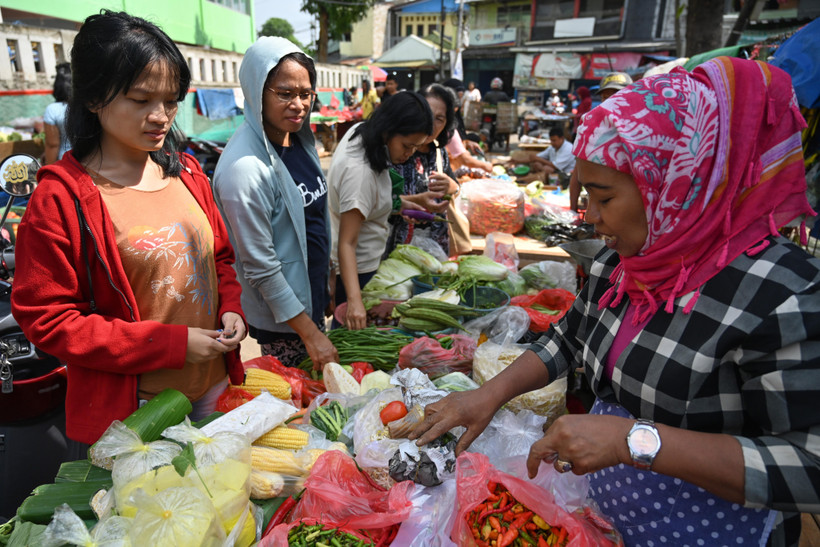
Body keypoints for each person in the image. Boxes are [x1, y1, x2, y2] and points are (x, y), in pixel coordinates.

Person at [412, 57, 820, 546]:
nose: (590, 217)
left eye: (603, 198)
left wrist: (637, 442)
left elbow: (808, 466)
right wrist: (486, 396)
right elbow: (569, 336)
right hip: (609, 515)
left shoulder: (780, 291)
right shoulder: (626, 260)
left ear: (675, 186)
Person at [11, 11, 247, 448]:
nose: (161, 116)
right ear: (96, 98)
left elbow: (219, 259)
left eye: (171, 100)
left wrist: (231, 307)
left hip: (214, 389)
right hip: (136, 415)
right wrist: (168, 345)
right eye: (141, 100)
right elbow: (48, 319)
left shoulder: (189, 174)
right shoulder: (60, 199)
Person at [213, 37, 338, 370]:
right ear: (257, 92)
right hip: (284, 323)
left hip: (311, 301)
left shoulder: (299, 141)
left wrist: (327, 280)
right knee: (298, 405)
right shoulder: (244, 169)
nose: (298, 104)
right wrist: (311, 335)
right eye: (285, 93)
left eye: (305, 94)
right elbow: (261, 267)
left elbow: (315, 220)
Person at [328, 91, 444, 330]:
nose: (409, 153)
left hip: (360, 264)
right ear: (388, 130)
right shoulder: (359, 173)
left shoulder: (362, 133)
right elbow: (346, 243)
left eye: (415, 147)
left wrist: (403, 202)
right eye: (406, 145)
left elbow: (364, 203)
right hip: (354, 271)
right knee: (352, 332)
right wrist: (355, 300)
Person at [384, 84, 462, 258]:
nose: (430, 124)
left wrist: (452, 187)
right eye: (426, 113)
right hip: (394, 251)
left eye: (439, 119)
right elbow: (374, 201)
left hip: (434, 249)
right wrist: (413, 202)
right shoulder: (394, 149)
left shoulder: (439, 152)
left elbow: (454, 187)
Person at [43, 62, 71, 164]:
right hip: (90, 163)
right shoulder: (88, 106)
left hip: (65, 163)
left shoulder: (52, 110)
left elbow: (52, 144)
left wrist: (48, 170)